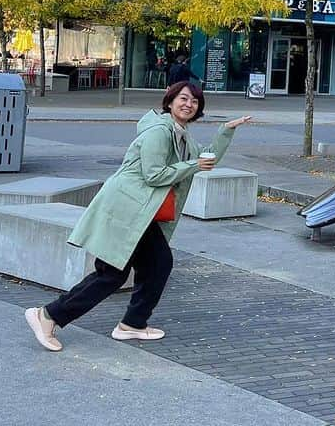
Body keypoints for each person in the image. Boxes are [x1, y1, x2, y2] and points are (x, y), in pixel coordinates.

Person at [24, 81, 252, 352]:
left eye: (195, 101)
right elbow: (154, 174)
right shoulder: (159, 132)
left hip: (142, 212)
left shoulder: (181, 135)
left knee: (152, 265)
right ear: (169, 101)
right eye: (184, 98)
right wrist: (192, 165)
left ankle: (132, 323)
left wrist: (225, 131)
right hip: (128, 210)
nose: (189, 104)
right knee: (115, 273)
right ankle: (48, 315)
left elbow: (204, 160)